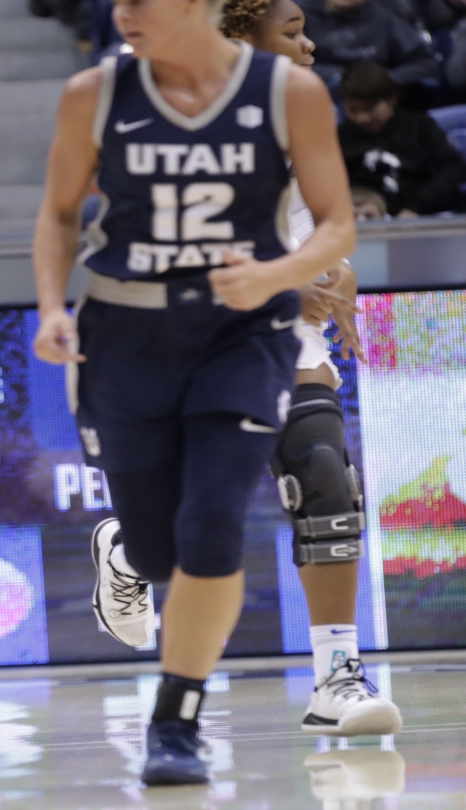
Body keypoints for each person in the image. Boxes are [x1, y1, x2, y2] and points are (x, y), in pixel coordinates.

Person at [32, 0, 357, 784]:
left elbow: (338, 223)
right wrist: (49, 305)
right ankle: (130, 553)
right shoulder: (93, 92)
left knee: (216, 525)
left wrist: (276, 277)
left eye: (140, 0)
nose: (122, 12)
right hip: (128, 334)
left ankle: (175, 721)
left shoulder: (290, 92)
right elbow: (59, 212)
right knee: (160, 548)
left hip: (242, 337)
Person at [91, 0, 403, 744]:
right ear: (237, 38)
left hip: (281, 334)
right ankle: (128, 551)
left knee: (324, 474)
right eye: (293, 31)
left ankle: (337, 676)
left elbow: (315, 221)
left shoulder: (302, 106)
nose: (312, 41)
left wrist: (339, 272)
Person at [338, 61, 466, 217]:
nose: (362, 118)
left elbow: (452, 169)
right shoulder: (341, 136)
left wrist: (415, 208)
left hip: (424, 215)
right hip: (363, 218)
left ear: (391, 99)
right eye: (352, 110)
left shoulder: (420, 127)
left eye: (369, 109)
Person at [298, 0, 439, 93]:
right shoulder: (300, 15)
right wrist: (345, 79)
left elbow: (425, 64)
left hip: (380, 100)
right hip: (323, 95)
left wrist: (380, 81)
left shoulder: (387, 15)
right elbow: (290, 65)